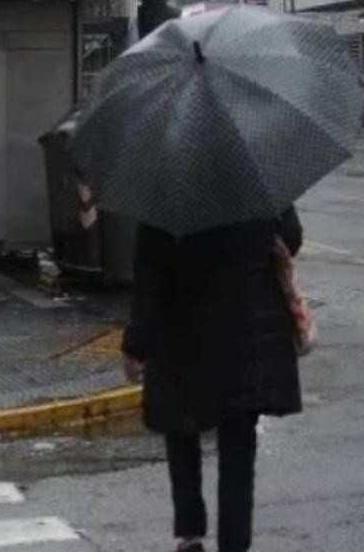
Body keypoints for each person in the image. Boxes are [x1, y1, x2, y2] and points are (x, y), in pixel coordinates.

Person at [122, 209, 305, 552]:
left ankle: (190, 533)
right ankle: (234, 543)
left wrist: (135, 347)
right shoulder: (257, 182)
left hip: (182, 335)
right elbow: (291, 237)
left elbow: (149, 278)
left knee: (181, 431)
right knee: (238, 449)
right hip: (244, 334)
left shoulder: (167, 192)